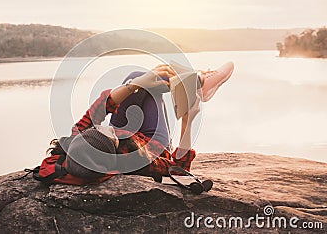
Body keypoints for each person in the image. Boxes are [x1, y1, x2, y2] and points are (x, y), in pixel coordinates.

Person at [48, 62, 234, 182]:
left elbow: (102, 106)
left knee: (137, 77)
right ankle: (199, 82)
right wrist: (188, 120)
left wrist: (135, 84)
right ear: (113, 150)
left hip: (125, 133)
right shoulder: (133, 160)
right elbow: (179, 169)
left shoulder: (76, 144)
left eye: (101, 129)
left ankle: (197, 81)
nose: (110, 129)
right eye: (111, 135)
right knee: (149, 88)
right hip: (153, 142)